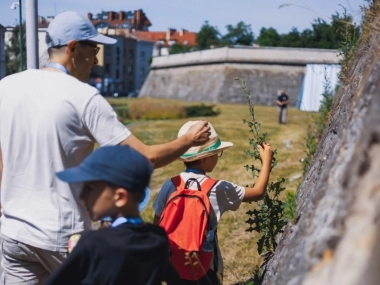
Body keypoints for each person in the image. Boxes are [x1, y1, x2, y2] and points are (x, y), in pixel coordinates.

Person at [0, 11, 210, 284]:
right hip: (62, 234)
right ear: (73, 47)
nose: (97, 59)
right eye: (94, 49)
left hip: (13, 233)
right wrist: (187, 141)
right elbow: (144, 159)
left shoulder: (7, 86)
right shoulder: (82, 96)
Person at [153, 121, 273, 285]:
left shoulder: (170, 185)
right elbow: (258, 192)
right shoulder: (218, 189)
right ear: (207, 158)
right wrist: (266, 161)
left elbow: (157, 224)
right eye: (217, 153)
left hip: (173, 263)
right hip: (205, 266)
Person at [45, 145, 180, 285]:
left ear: (120, 197)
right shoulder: (157, 238)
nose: (81, 196)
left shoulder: (93, 244)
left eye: (89, 189)